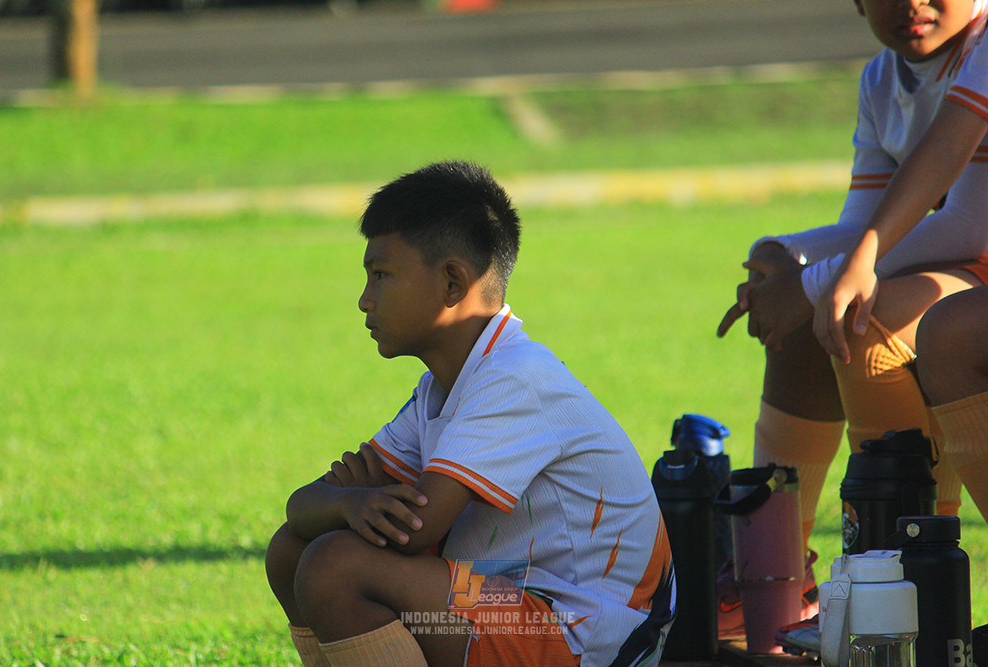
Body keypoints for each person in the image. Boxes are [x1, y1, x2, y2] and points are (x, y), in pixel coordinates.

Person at [264, 161, 676, 667]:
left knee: (337, 565)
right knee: (292, 549)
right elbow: (301, 507)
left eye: (381, 276)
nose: (364, 300)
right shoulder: (440, 388)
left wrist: (355, 501)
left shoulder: (515, 378)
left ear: (453, 283)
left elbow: (412, 532)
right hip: (507, 596)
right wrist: (349, 504)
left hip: (576, 628)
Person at [717, 0, 988, 640]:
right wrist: (785, 255)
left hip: (975, 264)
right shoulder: (879, 77)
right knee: (823, 321)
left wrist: (810, 284)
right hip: (961, 272)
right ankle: (773, 574)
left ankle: (902, 572)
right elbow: (861, 220)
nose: (912, 4)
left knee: (862, 322)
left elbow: (966, 224)